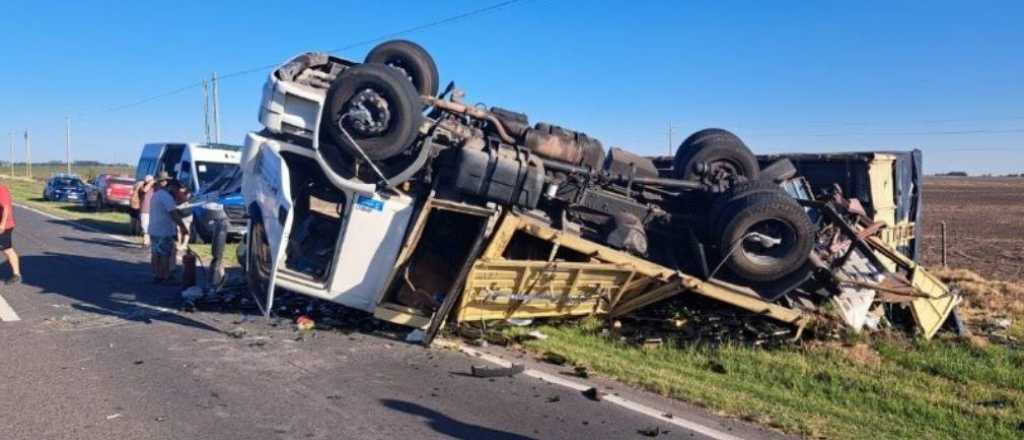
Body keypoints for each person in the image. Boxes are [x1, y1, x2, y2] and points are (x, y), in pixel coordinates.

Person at [147, 175, 188, 283]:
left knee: (156, 253)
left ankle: (157, 275)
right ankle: (165, 276)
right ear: (172, 187)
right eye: (176, 190)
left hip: (154, 229)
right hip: (163, 230)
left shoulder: (157, 195)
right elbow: (173, 214)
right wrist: (183, 227)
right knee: (165, 254)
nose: (177, 192)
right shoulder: (166, 197)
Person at [0, 182, 21, 285]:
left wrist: (2, 224)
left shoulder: (2, 190)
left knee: (7, 250)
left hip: (5, 226)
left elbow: (6, 208)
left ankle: (16, 274)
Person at [139, 175, 156, 247]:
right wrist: (150, 183)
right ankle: (146, 241)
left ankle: (147, 241)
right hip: (144, 210)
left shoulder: (154, 188)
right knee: (144, 226)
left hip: (153, 210)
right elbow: (145, 190)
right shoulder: (142, 187)